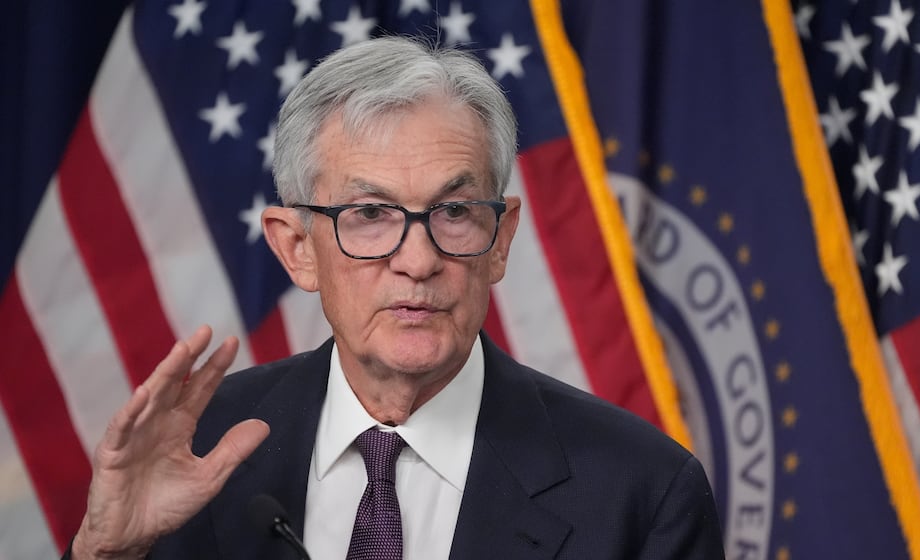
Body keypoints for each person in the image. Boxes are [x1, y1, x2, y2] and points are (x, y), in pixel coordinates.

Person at [68, 36, 723, 559]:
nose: (418, 260)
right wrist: (106, 554)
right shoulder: (197, 452)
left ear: (500, 240)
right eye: (371, 214)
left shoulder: (642, 493)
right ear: (296, 247)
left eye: (456, 210)